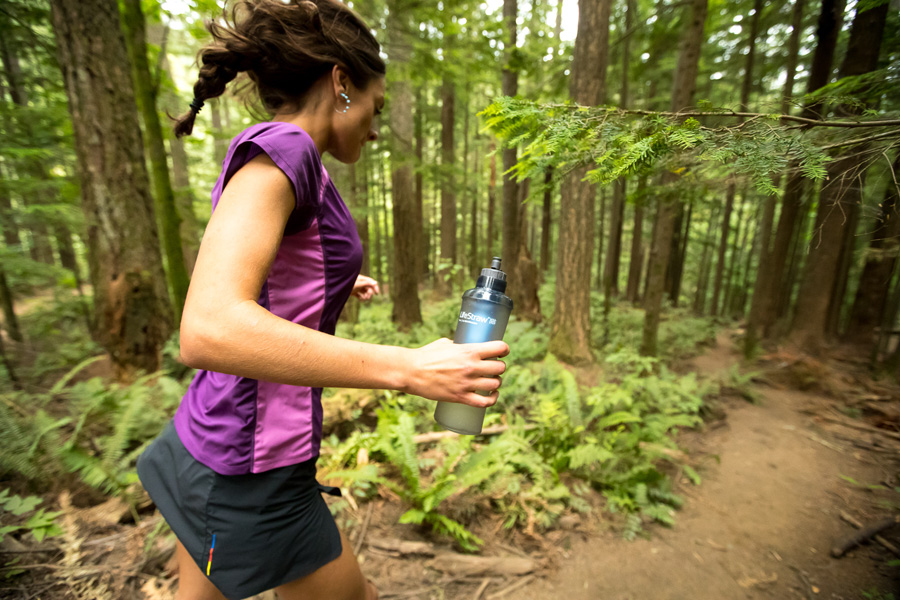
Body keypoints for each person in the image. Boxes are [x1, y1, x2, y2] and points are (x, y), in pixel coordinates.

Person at [135, 1, 509, 599]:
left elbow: (273, 267)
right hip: (250, 463)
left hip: (213, 436)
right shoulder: (284, 151)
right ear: (341, 82)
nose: (377, 125)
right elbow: (207, 326)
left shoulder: (302, 163)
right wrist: (408, 368)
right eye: (374, 106)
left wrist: (337, 283)